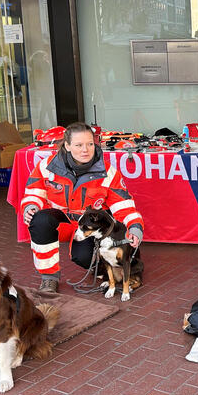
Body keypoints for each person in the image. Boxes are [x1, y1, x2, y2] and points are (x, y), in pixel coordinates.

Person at [21, 122, 144, 293]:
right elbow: (33, 193)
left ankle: (105, 273)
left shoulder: (108, 172)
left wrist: (135, 228)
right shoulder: (46, 166)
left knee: (84, 258)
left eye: (90, 144)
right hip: (62, 223)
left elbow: (124, 207)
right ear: (67, 145)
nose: (85, 150)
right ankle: (49, 278)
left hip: (90, 229)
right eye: (79, 145)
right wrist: (30, 207)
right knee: (39, 220)